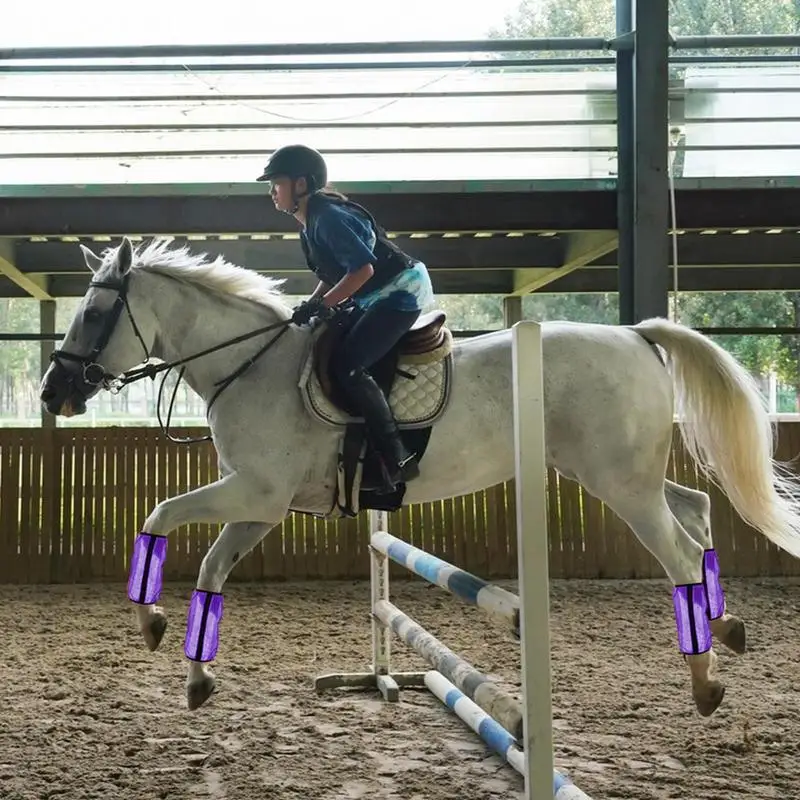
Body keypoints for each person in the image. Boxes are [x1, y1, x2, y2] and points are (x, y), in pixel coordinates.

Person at [256, 144, 435, 491]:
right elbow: (335, 272)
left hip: (401, 291)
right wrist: (310, 305)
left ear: (302, 185)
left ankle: (397, 456)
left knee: (348, 365)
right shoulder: (312, 220)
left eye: (277, 183)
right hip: (374, 293)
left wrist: (325, 305)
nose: (272, 191)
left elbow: (362, 270)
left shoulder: (327, 218)